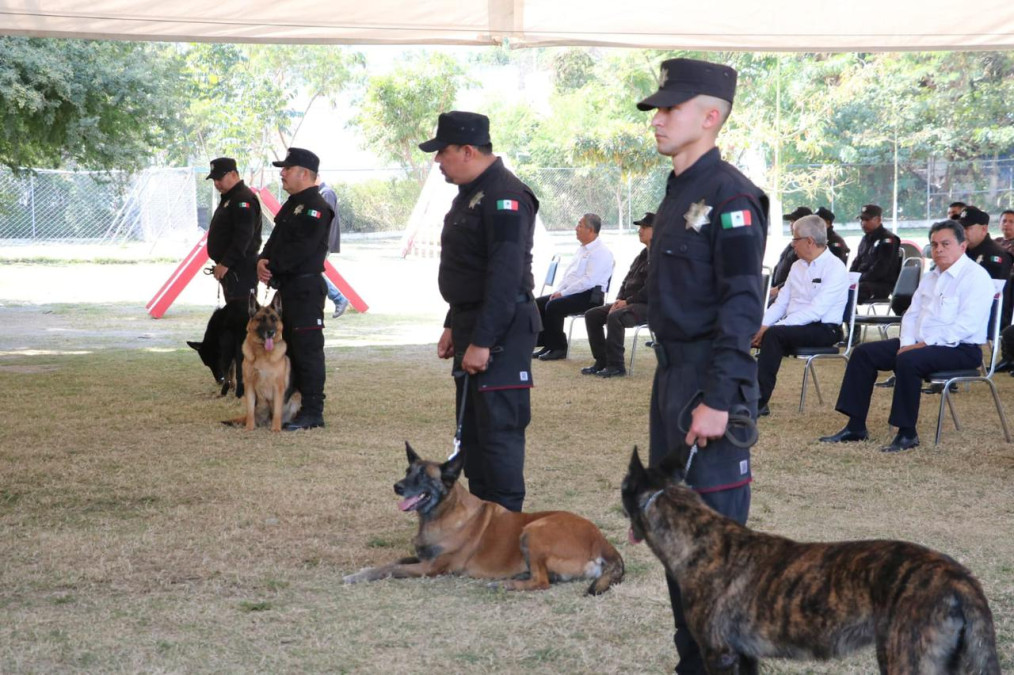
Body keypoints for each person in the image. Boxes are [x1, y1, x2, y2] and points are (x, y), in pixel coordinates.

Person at [637, 57, 768, 674]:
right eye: (659, 108)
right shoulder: (678, 191)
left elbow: (742, 304)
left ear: (710, 116)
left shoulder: (731, 194)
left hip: (709, 385)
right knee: (673, 540)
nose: (658, 119)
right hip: (672, 379)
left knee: (714, 559)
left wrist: (718, 396)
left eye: (671, 108)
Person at [420, 110, 540, 513]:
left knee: (499, 433)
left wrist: (483, 340)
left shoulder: (505, 195)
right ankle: (483, 523)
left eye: (443, 152)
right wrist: (454, 324)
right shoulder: (472, 193)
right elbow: (469, 268)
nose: (438, 161)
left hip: (501, 329)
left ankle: (506, 527)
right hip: (473, 320)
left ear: (468, 150)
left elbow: (504, 278)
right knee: (474, 432)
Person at [819, 220, 994, 452]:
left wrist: (921, 345)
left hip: (959, 348)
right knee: (863, 354)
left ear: (962, 246)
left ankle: (907, 433)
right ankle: (855, 426)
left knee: (908, 360)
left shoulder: (976, 277)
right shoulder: (931, 277)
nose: (938, 249)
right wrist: (908, 343)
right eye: (934, 244)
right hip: (920, 345)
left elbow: (966, 325)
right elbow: (911, 315)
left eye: (945, 243)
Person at [257, 147, 331, 431]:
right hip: (287, 288)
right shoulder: (293, 204)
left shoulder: (315, 207)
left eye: (287, 169)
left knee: (308, 350)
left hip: (305, 289)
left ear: (304, 173)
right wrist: (261, 261)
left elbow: (301, 249)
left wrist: (272, 265)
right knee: (290, 349)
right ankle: (292, 406)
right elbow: (275, 240)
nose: (282, 173)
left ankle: (313, 411)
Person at [752, 215, 848, 416]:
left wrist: (774, 328)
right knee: (749, 332)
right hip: (795, 326)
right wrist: (761, 325)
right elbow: (781, 303)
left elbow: (816, 310)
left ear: (809, 241)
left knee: (774, 335)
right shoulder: (797, 266)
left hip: (824, 328)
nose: (792, 244)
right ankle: (733, 394)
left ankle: (758, 401)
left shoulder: (835, 267)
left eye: (794, 239)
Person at [532, 213, 614, 361]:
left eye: (580, 225)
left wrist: (564, 293)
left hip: (590, 296)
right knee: (539, 303)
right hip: (575, 292)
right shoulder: (582, 249)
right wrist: (559, 290)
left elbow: (589, 281)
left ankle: (559, 347)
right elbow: (569, 275)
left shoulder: (601, 252)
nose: (576, 228)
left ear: (590, 230)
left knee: (554, 306)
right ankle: (548, 343)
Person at [581, 212, 653, 378]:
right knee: (592, 315)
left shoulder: (660, 256)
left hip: (649, 306)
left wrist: (627, 302)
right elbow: (625, 281)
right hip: (629, 303)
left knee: (615, 317)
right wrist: (619, 300)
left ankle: (616, 366)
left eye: (644, 227)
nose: (639, 230)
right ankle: (602, 361)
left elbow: (651, 290)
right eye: (639, 227)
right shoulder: (642, 255)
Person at [205, 157, 262, 301]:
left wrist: (225, 263)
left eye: (220, 178)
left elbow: (243, 236)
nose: (217, 183)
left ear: (234, 175)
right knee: (233, 312)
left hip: (240, 269)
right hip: (232, 269)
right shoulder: (230, 197)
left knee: (241, 313)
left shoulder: (242, 199)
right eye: (214, 180)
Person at [959, 206, 1013, 329]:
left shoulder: (996, 256)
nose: (962, 233)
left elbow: (994, 298)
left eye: (967, 228)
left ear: (983, 229)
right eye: (960, 228)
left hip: (985, 318)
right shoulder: (962, 251)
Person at [850, 204, 901, 303]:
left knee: (854, 290)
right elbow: (857, 261)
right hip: (864, 282)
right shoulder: (865, 239)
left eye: (867, 220)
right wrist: (850, 277)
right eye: (861, 219)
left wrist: (859, 278)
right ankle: (849, 317)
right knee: (840, 288)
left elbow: (881, 269)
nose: (863, 223)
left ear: (878, 220)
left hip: (881, 284)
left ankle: (849, 317)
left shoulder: (888, 240)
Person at [316, 177, 350, 318]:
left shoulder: (326, 193)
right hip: (322, 242)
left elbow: (325, 221)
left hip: (323, 242)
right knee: (314, 271)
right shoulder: (323, 193)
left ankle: (339, 298)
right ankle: (337, 299)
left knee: (314, 271)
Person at [766, 206, 810, 302]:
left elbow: (801, 276)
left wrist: (777, 289)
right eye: (791, 221)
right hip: (777, 289)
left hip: (789, 294)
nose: (791, 225)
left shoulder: (807, 247)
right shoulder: (792, 244)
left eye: (794, 221)